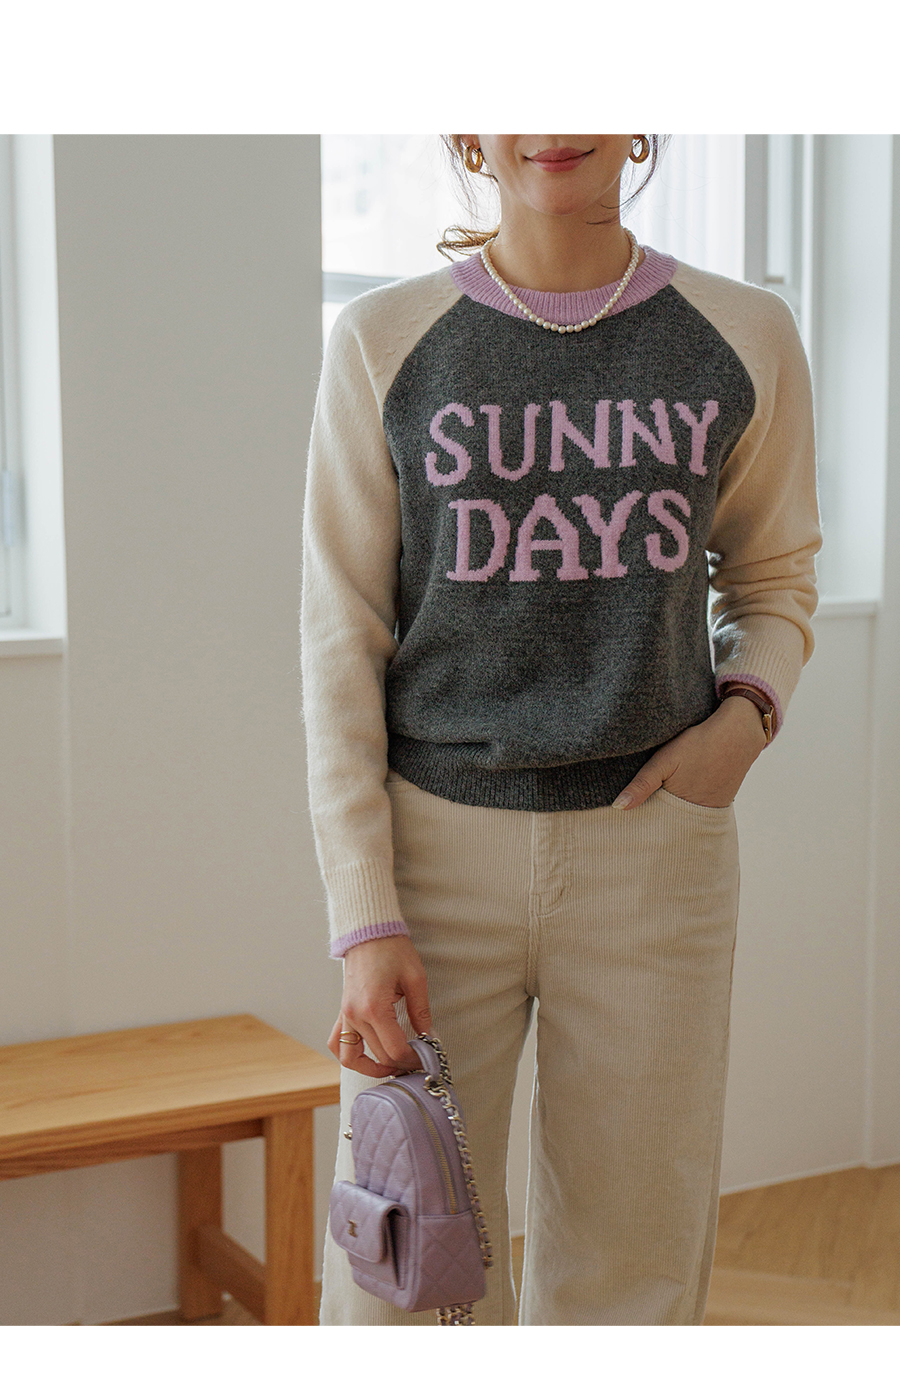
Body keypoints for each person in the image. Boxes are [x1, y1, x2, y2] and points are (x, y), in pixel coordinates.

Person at [300, 134, 821, 1325]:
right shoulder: (382, 342)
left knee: (631, 1273)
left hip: (656, 856)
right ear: (466, 133)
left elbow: (775, 576)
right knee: (400, 1283)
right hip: (431, 869)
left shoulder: (744, 334)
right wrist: (364, 916)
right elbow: (340, 646)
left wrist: (746, 717)